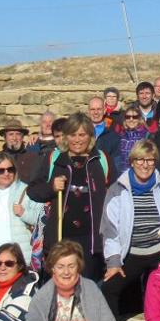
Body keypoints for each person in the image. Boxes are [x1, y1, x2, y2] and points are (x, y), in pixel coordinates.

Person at [99, 140, 160, 320]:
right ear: (132, 161)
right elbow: (110, 229)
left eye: (150, 160)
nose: (145, 165)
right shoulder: (117, 190)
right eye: (140, 160)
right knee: (109, 287)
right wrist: (114, 261)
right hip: (131, 253)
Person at [27, 113, 112, 281]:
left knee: (89, 288)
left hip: (92, 240)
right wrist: (52, 187)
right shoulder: (54, 159)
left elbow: (115, 194)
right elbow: (33, 190)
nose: (77, 140)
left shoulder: (101, 159)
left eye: (82, 135)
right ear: (66, 137)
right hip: (61, 237)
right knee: (62, 286)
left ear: (90, 136)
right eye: (73, 135)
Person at [0, 153, 43, 265]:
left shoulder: (26, 191)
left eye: (10, 169)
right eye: (1, 170)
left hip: (21, 257)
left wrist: (24, 213)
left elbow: (42, 218)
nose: (6, 173)